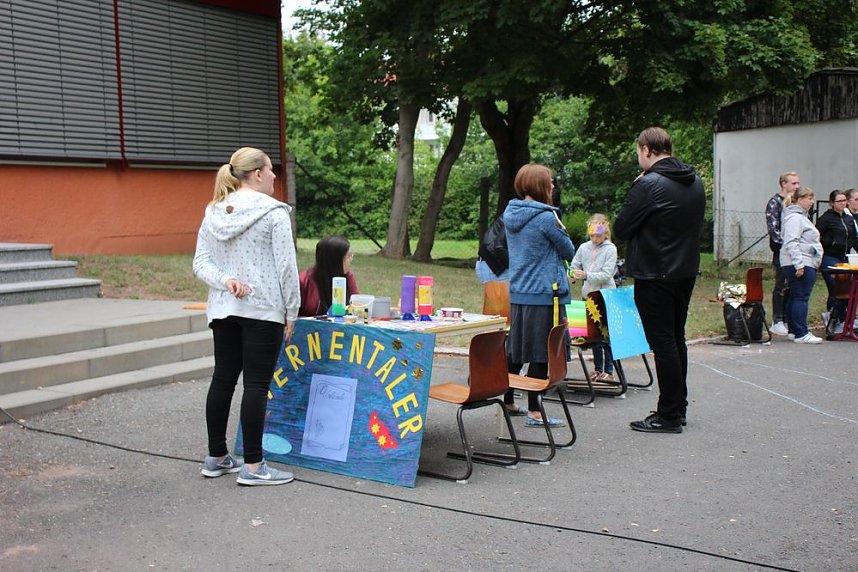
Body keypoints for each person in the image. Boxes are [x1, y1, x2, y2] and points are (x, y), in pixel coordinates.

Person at [192, 147, 300, 486]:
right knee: (256, 385)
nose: (274, 176)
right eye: (271, 170)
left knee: (222, 379)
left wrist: (226, 282)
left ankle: (217, 456)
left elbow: (200, 263)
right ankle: (253, 465)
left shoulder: (213, 212)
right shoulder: (275, 213)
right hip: (263, 308)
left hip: (224, 308)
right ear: (256, 174)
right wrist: (292, 311)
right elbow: (286, 268)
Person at [614, 127, 705, 434]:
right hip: (685, 270)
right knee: (676, 338)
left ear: (647, 150)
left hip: (655, 271)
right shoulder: (695, 182)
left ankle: (667, 415)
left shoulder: (649, 184)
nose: (638, 156)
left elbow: (622, 227)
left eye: (638, 152)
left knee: (662, 341)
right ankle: (678, 407)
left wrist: (636, 186)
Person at [503, 163, 576, 427]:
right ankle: (535, 410)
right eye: (550, 182)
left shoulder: (511, 214)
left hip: (520, 292)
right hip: (546, 293)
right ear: (539, 185)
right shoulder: (547, 218)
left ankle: (509, 400)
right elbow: (569, 251)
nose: (553, 186)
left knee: (517, 348)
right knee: (541, 351)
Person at [570, 213, 618, 382]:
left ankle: (609, 370)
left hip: (604, 295)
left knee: (605, 335)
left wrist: (586, 275)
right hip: (588, 296)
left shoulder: (610, 249)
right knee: (593, 335)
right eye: (592, 235)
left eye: (598, 235)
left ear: (605, 233)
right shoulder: (584, 247)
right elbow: (574, 265)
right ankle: (598, 369)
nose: (595, 239)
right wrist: (572, 274)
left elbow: (606, 274)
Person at [780, 186, 823, 344]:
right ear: (799, 200)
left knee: (795, 295)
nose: (812, 202)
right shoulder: (795, 218)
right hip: (801, 261)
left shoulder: (801, 217)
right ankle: (801, 332)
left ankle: (794, 330)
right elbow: (792, 241)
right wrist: (798, 264)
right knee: (801, 297)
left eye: (812, 198)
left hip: (805, 260)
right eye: (809, 198)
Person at [815, 190, 857, 333]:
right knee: (835, 288)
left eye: (844, 200)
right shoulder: (826, 218)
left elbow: (852, 238)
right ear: (832, 203)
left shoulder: (848, 218)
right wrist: (830, 242)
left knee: (848, 289)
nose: (842, 203)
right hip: (829, 257)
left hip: (844, 257)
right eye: (839, 201)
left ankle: (842, 318)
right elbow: (816, 236)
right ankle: (833, 318)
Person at [766, 172, 802, 336]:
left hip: (796, 251)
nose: (796, 187)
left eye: (798, 183)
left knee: (792, 286)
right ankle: (777, 319)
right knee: (781, 284)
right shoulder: (775, 203)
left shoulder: (796, 203)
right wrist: (787, 244)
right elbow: (774, 230)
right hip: (782, 251)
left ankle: (788, 318)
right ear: (783, 184)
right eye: (793, 183)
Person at [298, 236, 359, 317]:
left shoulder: (348, 277)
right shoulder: (304, 280)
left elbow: (356, 306)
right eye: (348, 255)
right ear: (335, 260)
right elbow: (291, 315)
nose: (351, 259)